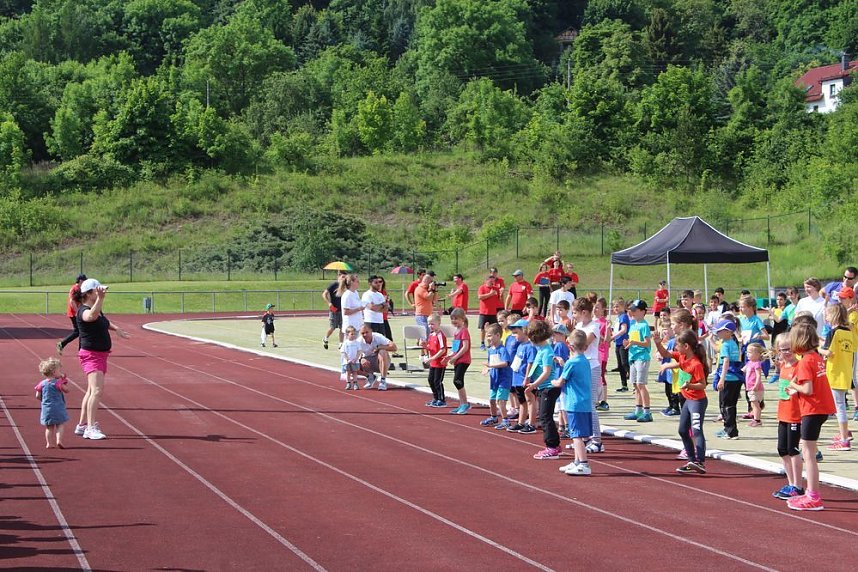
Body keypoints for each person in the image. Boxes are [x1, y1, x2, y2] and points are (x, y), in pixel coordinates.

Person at [785, 319, 836, 511]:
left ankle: (813, 496)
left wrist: (793, 386)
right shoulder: (815, 357)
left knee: (808, 454)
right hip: (820, 408)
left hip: (813, 409)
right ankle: (810, 493)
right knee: (808, 451)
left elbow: (807, 388)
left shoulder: (806, 361)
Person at [73, 278, 129, 441]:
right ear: (89, 293)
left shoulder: (96, 308)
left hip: (100, 355)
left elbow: (101, 319)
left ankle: (82, 425)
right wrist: (101, 299)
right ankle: (90, 428)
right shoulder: (83, 310)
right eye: (96, 291)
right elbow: (91, 317)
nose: (100, 293)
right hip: (91, 355)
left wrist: (116, 328)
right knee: (97, 391)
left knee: (91, 391)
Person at [657, 330, 710, 474]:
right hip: (688, 400)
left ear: (686, 346)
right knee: (682, 430)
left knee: (697, 430)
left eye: (677, 346)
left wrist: (689, 386)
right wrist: (657, 343)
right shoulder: (682, 356)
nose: (675, 349)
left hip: (697, 401)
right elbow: (666, 354)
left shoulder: (696, 364)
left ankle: (700, 461)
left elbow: (703, 385)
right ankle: (692, 461)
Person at [556, 330, 594, 476]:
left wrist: (553, 382)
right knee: (578, 433)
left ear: (570, 347)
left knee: (576, 435)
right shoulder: (585, 361)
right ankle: (577, 461)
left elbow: (560, 382)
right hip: (584, 402)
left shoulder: (571, 363)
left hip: (574, 403)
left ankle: (584, 463)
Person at [771, 337, 803, 500]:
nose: (787, 352)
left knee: (793, 449)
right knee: (782, 449)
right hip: (783, 413)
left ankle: (798, 486)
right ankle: (791, 484)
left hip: (795, 414)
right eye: (783, 349)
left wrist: (797, 391)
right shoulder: (783, 366)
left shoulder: (800, 367)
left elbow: (806, 389)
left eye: (790, 348)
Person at [574, 298, 607, 452]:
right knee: (581, 403)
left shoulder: (594, 326)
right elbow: (572, 344)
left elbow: (582, 345)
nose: (573, 315)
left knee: (590, 404)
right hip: (579, 365)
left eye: (575, 312)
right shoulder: (578, 325)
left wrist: (573, 341)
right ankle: (585, 438)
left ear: (584, 312)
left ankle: (597, 441)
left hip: (591, 366)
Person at [526, 319, 562, 460]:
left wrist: (534, 385)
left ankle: (552, 447)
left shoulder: (546, 351)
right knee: (545, 416)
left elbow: (546, 372)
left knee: (545, 417)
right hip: (543, 387)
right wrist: (529, 379)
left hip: (549, 388)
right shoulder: (541, 349)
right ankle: (555, 445)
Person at [820, 303, 853, 451]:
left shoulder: (833, 332)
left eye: (827, 314)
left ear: (833, 316)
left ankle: (844, 439)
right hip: (845, 371)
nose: (825, 317)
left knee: (839, 408)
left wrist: (816, 347)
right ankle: (844, 433)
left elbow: (828, 352)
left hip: (834, 372)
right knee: (840, 406)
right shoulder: (848, 332)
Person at [623, 299, 653, 423]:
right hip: (633, 357)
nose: (632, 312)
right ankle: (638, 410)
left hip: (642, 358)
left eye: (635, 310)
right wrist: (628, 343)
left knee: (641, 384)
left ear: (643, 311)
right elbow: (631, 340)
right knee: (635, 385)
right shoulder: (633, 324)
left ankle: (647, 412)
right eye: (632, 310)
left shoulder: (644, 325)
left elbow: (647, 343)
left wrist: (634, 343)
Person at [714, 318, 743, 440]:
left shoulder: (726, 344)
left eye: (720, 331)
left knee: (725, 405)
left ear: (727, 332)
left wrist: (722, 379)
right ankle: (729, 429)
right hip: (735, 378)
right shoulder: (733, 343)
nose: (717, 333)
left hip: (728, 378)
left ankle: (730, 431)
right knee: (731, 404)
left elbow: (726, 361)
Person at [479, 323, 513, 429]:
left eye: (490, 335)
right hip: (494, 378)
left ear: (498, 335)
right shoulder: (490, 350)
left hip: (504, 378)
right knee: (492, 400)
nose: (488, 338)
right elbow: (490, 362)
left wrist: (491, 365)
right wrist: (487, 368)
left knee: (501, 400)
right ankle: (493, 417)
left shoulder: (502, 349)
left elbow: (506, 363)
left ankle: (505, 420)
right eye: (487, 336)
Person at [507, 319, 537, 434]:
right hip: (517, 378)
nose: (514, 336)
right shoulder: (520, 346)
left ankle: (531, 424)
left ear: (525, 331)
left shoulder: (530, 346)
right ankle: (521, 422)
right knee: (522, 402)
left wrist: (527, 377)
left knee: (530, 400)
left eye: (516, 333)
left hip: (525, 379)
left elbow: (530, 362)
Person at [36, 357, 70, 449]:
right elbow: (67, 390)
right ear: (54, 372)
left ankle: (49, 443)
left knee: (49, 427)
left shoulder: (42, 383)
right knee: (60, 424)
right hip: (58, 407)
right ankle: (59, 440)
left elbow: (37, 395)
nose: (60, 372)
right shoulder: (57, 383)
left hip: (47, 408)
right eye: (59, 370)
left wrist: (43, 400)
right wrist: (64, 381)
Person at [447, 308, 472, 415]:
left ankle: (465, 403)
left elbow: (465, 347)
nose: (454, 321)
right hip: (458, 359)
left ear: (462, 319)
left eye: (456, 318)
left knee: (457, 380)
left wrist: (455, 357)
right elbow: (455, 347)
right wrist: (449, 356)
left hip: (464, 360)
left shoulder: (464, 331)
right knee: (458, 381)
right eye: (452, 319)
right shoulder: (456, 332)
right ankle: (462, 403)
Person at [357, 324, 397, 391]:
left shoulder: (378, 336)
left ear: (371, 331)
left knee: (383, 351)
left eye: (367, 332)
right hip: (368, 362)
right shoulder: (359, 341)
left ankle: (383, 380)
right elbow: (353, 355)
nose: (365, 335)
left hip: (381, 361)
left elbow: (394, 347)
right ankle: (370, 376)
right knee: (349, 365)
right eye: (363, 333)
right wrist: (361, 359)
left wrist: (380, 347)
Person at [421, 314, 448, 407]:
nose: (430, 326)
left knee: (437, 381)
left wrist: (432, 358)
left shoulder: (440, 335)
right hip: (433, 363)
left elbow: (443, 349)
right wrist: (425, 346)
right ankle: (435, 398)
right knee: (430, 380)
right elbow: (431, 347)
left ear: (438, 323)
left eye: (432, 324)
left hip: (440, 363)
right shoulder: (431, 335)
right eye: (429, 324)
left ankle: (442, 399)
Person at [57, 273, 87, 355]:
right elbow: (72, 301)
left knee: (79, 331)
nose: (85, 282)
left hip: (76, 312)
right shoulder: (75, 288)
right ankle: (64, 344)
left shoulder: (79, 288)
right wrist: (77, 312)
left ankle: (64, 345)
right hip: (74, 313)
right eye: (84, 280)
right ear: (80, 280)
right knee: (79, 331)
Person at [322, 270, 347, 350]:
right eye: (342, 277)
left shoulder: (346, 286)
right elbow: (324, 294)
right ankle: (325, 338)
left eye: (345, 277)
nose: (343, 279)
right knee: (333, 327)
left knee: (342, 328)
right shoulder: (334, 285)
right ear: (338, 277)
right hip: (334, 309)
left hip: (342, 310)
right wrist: (329, 303)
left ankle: (341, 343)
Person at [477, 275, 502, 350]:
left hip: (493, 312)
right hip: (484, 312)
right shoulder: (482, 288)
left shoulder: (496, 289)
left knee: (493, 329)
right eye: (490, 281)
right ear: (486, 281)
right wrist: (490, 294)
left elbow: (498, 299)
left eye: (493, 281)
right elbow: (480, 297)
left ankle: (491, 343)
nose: (492, 283)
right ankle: (482, 343)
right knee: (483, 328)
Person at [743, 343, 765, 426]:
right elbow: (743, 370)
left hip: (755, 388)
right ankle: (755, 417)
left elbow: (759, 375)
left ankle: (757, 420)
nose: (747, 354)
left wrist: (756, 385)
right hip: (750, 387)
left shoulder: (757, 364)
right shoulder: (749, 363)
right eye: (747, 352)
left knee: (756, 404)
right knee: (752, 403)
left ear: (757, 354)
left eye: (750, 352)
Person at [612, 298, 631, 392]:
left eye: (617, 306)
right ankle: (624, 385)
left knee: (624, 363)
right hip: (618, 343)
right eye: (614, 306)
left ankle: (633, 378)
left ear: (623, 307)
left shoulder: (623, 316)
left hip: (623, 342)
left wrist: (613, 336)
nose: (615, 308)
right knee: (620, 365)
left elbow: (624, 329)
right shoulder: (618, 317)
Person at [413, 274, 437, 339]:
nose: (432, 283)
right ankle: (423, 346)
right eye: (431, 281)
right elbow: (428, 297)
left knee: (429, 334)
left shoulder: (427, 290)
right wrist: (431, 289)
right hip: (421, 315)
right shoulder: (420, 288)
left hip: (429, 314)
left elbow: (434, 300)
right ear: (426, 281)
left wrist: (434, 290)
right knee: (425, 333)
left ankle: (424, 346)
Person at [340, 326, 363, 390]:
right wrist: (347, 359)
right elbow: (343, 352)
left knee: (355, 372)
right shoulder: (345, 343)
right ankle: (348, 383)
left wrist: (356, 359)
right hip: (347, 361)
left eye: (355, 334)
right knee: (348, 372)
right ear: (347, 335)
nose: (353, 335)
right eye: (352, 334)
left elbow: (359, 351)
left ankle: (355, 383)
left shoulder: (357, 342)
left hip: (355, 361)